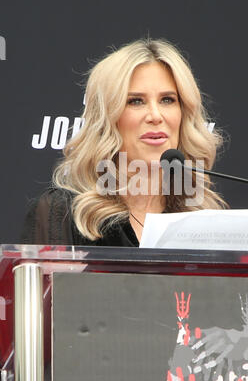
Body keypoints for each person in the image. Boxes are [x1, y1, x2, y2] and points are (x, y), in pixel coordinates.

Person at [21, 38, 227, 246]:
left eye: (167, 100)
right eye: (136, 101)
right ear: (107, 118)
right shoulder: (62, 213)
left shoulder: (204, 218)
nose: (155, 116)